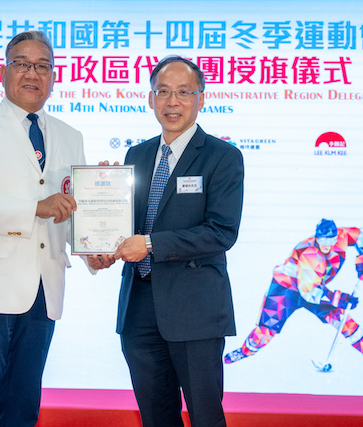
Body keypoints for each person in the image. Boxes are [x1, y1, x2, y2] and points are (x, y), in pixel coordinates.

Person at [0, 31, 87, 426]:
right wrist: (35, 208)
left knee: (23, 411)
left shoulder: (70, 136)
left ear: (54, 77)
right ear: (4, 71)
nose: (32, 73)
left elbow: (71, 210)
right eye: (22, 64)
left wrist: (94, 247)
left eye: (42, 66)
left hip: (43, 291)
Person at [106, 56, 245, 427]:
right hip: (139, 308)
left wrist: (150, 244)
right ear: (150, 98)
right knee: (155, 417)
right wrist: (101, 240)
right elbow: (129, 226)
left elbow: (221, 231)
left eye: (184, 92)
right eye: (163, 92)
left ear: (201, 99)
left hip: (195, 310)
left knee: (205, 417)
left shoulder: (222, 157)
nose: (172, 102)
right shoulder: (136, 154)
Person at [224, 219, 363, 367]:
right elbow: (308, 293)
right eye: (323, 240)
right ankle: (245, 351)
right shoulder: (311, 254)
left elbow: (362, 235)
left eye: (331, 240)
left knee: (342, 319)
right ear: (317, 238)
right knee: (267, 330)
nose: (327, 245)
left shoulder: (342, 236)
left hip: (314, 285)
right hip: (286, 289)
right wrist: (339, 298)